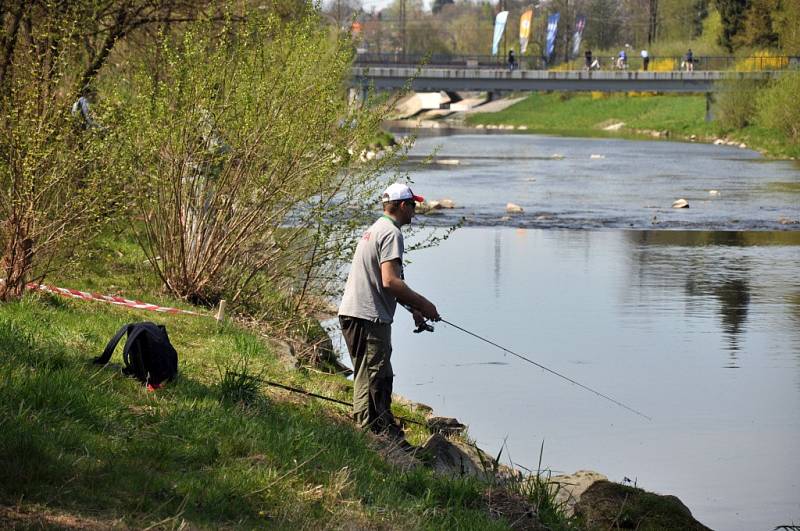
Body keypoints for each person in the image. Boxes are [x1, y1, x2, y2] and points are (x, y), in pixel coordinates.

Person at [338, 183, 440, 444]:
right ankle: (375, 437)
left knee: (366, 375)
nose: (415, 212)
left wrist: (413, 308)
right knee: (377, 378)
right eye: (413, 206)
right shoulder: (392, 233)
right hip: (369, 318)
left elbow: (382, 281)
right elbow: (390, 282)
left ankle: (373, 431)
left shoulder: (375, 229)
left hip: (353, 313)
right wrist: (425, 303)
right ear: (403, 206)